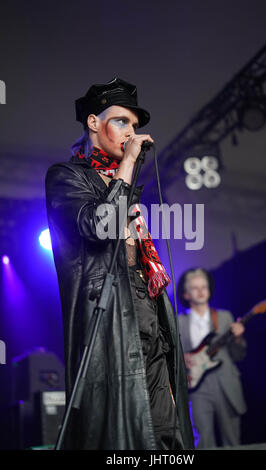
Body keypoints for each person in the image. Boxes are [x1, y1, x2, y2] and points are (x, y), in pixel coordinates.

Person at [45, 77, 194, 450]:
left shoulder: (121, 184)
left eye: (134, 125)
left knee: (168, 434)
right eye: (121, 121)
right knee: (125, 437)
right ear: (94, 123)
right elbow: (98, 225)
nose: (130, 133)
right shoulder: (65, 177)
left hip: (147, 312)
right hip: (110, 320)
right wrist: (128, 165)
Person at [177, 268, 247, 449]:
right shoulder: (179, 322)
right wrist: (181, 358)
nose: (201, 291)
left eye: (204, 287)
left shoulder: (224, 317)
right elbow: (171, 355)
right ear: (186, 294)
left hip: (226, 383)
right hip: (197, 386)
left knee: (232, 440)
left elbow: (238, 355)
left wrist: (238, 338)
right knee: (202, 441)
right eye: (195, 288)